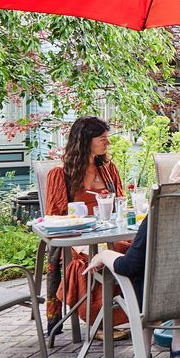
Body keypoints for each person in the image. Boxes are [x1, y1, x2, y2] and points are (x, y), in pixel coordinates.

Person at [85, 136, 180, 358]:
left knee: (145, 271)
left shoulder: (165, 208)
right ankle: (179, 346)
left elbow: (128, 266)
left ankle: (144, 352)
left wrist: (104, 254)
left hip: (162, 296)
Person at [44, 116, 125, 334]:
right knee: (98, 256)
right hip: (77, 237)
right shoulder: (61, 174)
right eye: (102, 139)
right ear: (85, 141)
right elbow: (55, 217)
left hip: (109, 232)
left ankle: (137, 312)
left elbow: (121, 204)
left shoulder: (108, 169)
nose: (107, 143)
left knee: (134, 250)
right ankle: (99, 320)